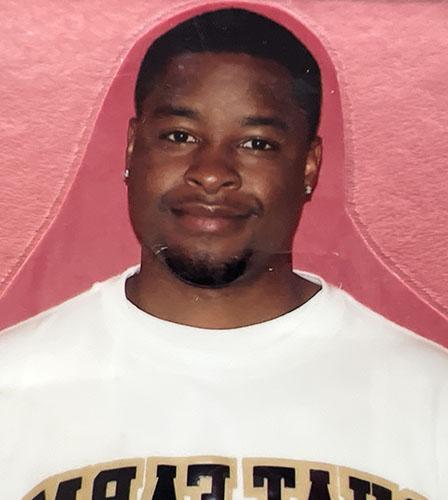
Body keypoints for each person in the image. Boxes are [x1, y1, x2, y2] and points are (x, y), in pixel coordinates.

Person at [0, 8, 446, 500]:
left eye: (257, 143)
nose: (212, 172)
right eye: (180, 136)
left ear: (309, 166)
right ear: (131, 149)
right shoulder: (13, 385)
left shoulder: (431, 398)